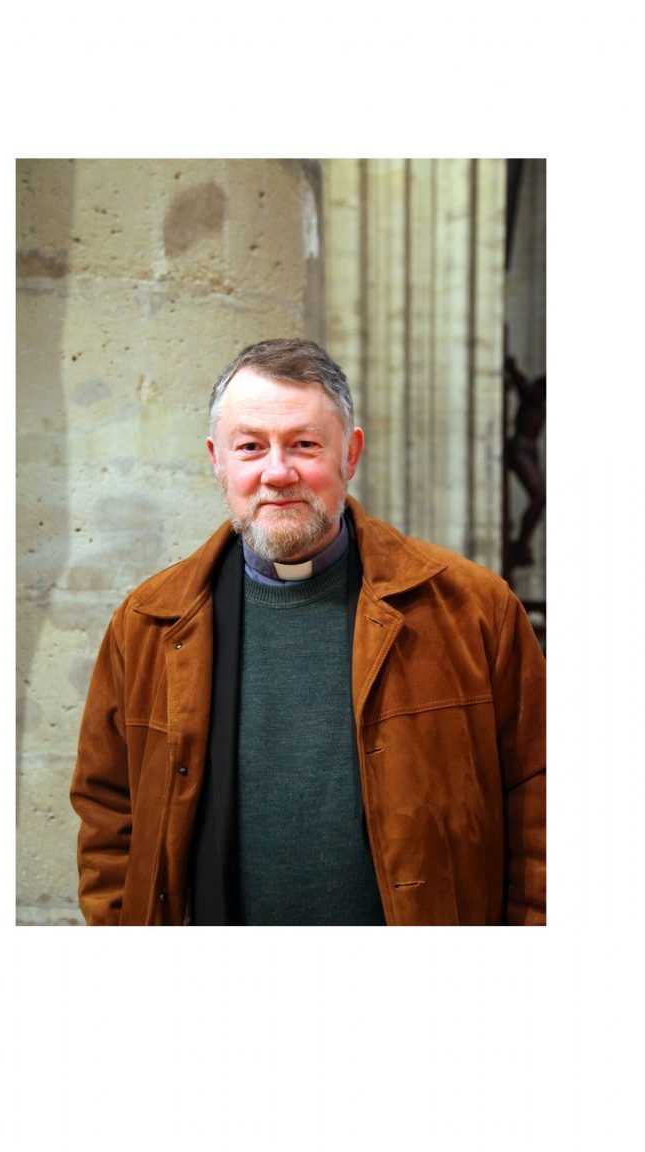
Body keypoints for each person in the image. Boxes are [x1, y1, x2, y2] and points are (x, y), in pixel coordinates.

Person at [70, 339, 546, 926]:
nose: (278, 472)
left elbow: (540, 798)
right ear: (217, 460)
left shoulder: (472, 609)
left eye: (304, 444)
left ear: (351, 453)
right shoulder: (148, 622)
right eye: (251, 446)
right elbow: (108, 815)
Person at [505, 355, 546, 568]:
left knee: (540, 497)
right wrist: (512, 368)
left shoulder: (539, 399)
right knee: (539, 496)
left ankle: (523, 543)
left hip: (528, 450)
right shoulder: (535, 395)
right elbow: (524, 387)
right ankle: (521, 544)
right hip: (520, 448)